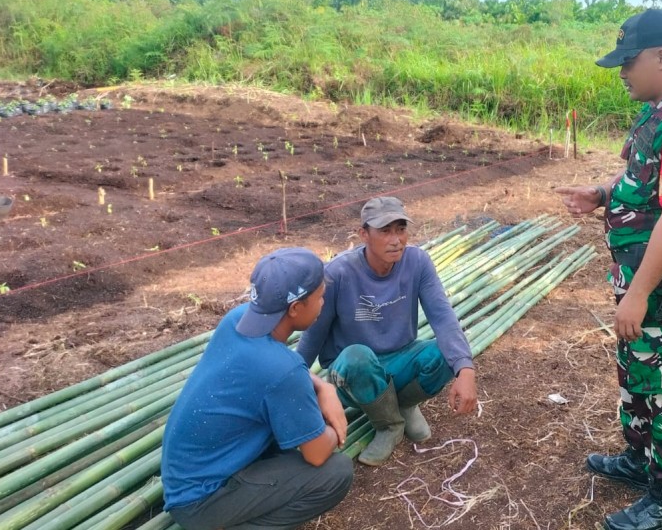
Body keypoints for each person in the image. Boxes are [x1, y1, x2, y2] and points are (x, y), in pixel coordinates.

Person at [555, 9, 662, 530]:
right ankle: (638, 461)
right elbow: (645, 181)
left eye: (628, 61)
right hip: (644, 279)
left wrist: (639, 294)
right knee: (637, 375)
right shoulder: (661, 111)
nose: (622, 72)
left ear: (661, 57)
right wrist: (604, 194)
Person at [161, 247, 354, 529]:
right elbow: (316, 454)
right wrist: (335, 427)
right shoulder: (282, 370)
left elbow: (276, 372)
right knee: (336, 471)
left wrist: (323, 388)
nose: (324, 302)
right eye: (320, 296)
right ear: (295, 308)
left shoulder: (236, 320)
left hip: (186, 476)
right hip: (201, 502)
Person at [297, 196, 478, 466]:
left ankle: (403, 404)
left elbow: (443, 317)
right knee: (358, 357)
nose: (396, 240)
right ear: (364, 235)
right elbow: (312, 335)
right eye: (385, 231)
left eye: (401, 229)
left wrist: (466, 370)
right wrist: (295, 382)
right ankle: (390, 424)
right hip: (352, 375)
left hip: (400, 358)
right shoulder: (338, 273)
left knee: (445, 353)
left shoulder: (417, 262)